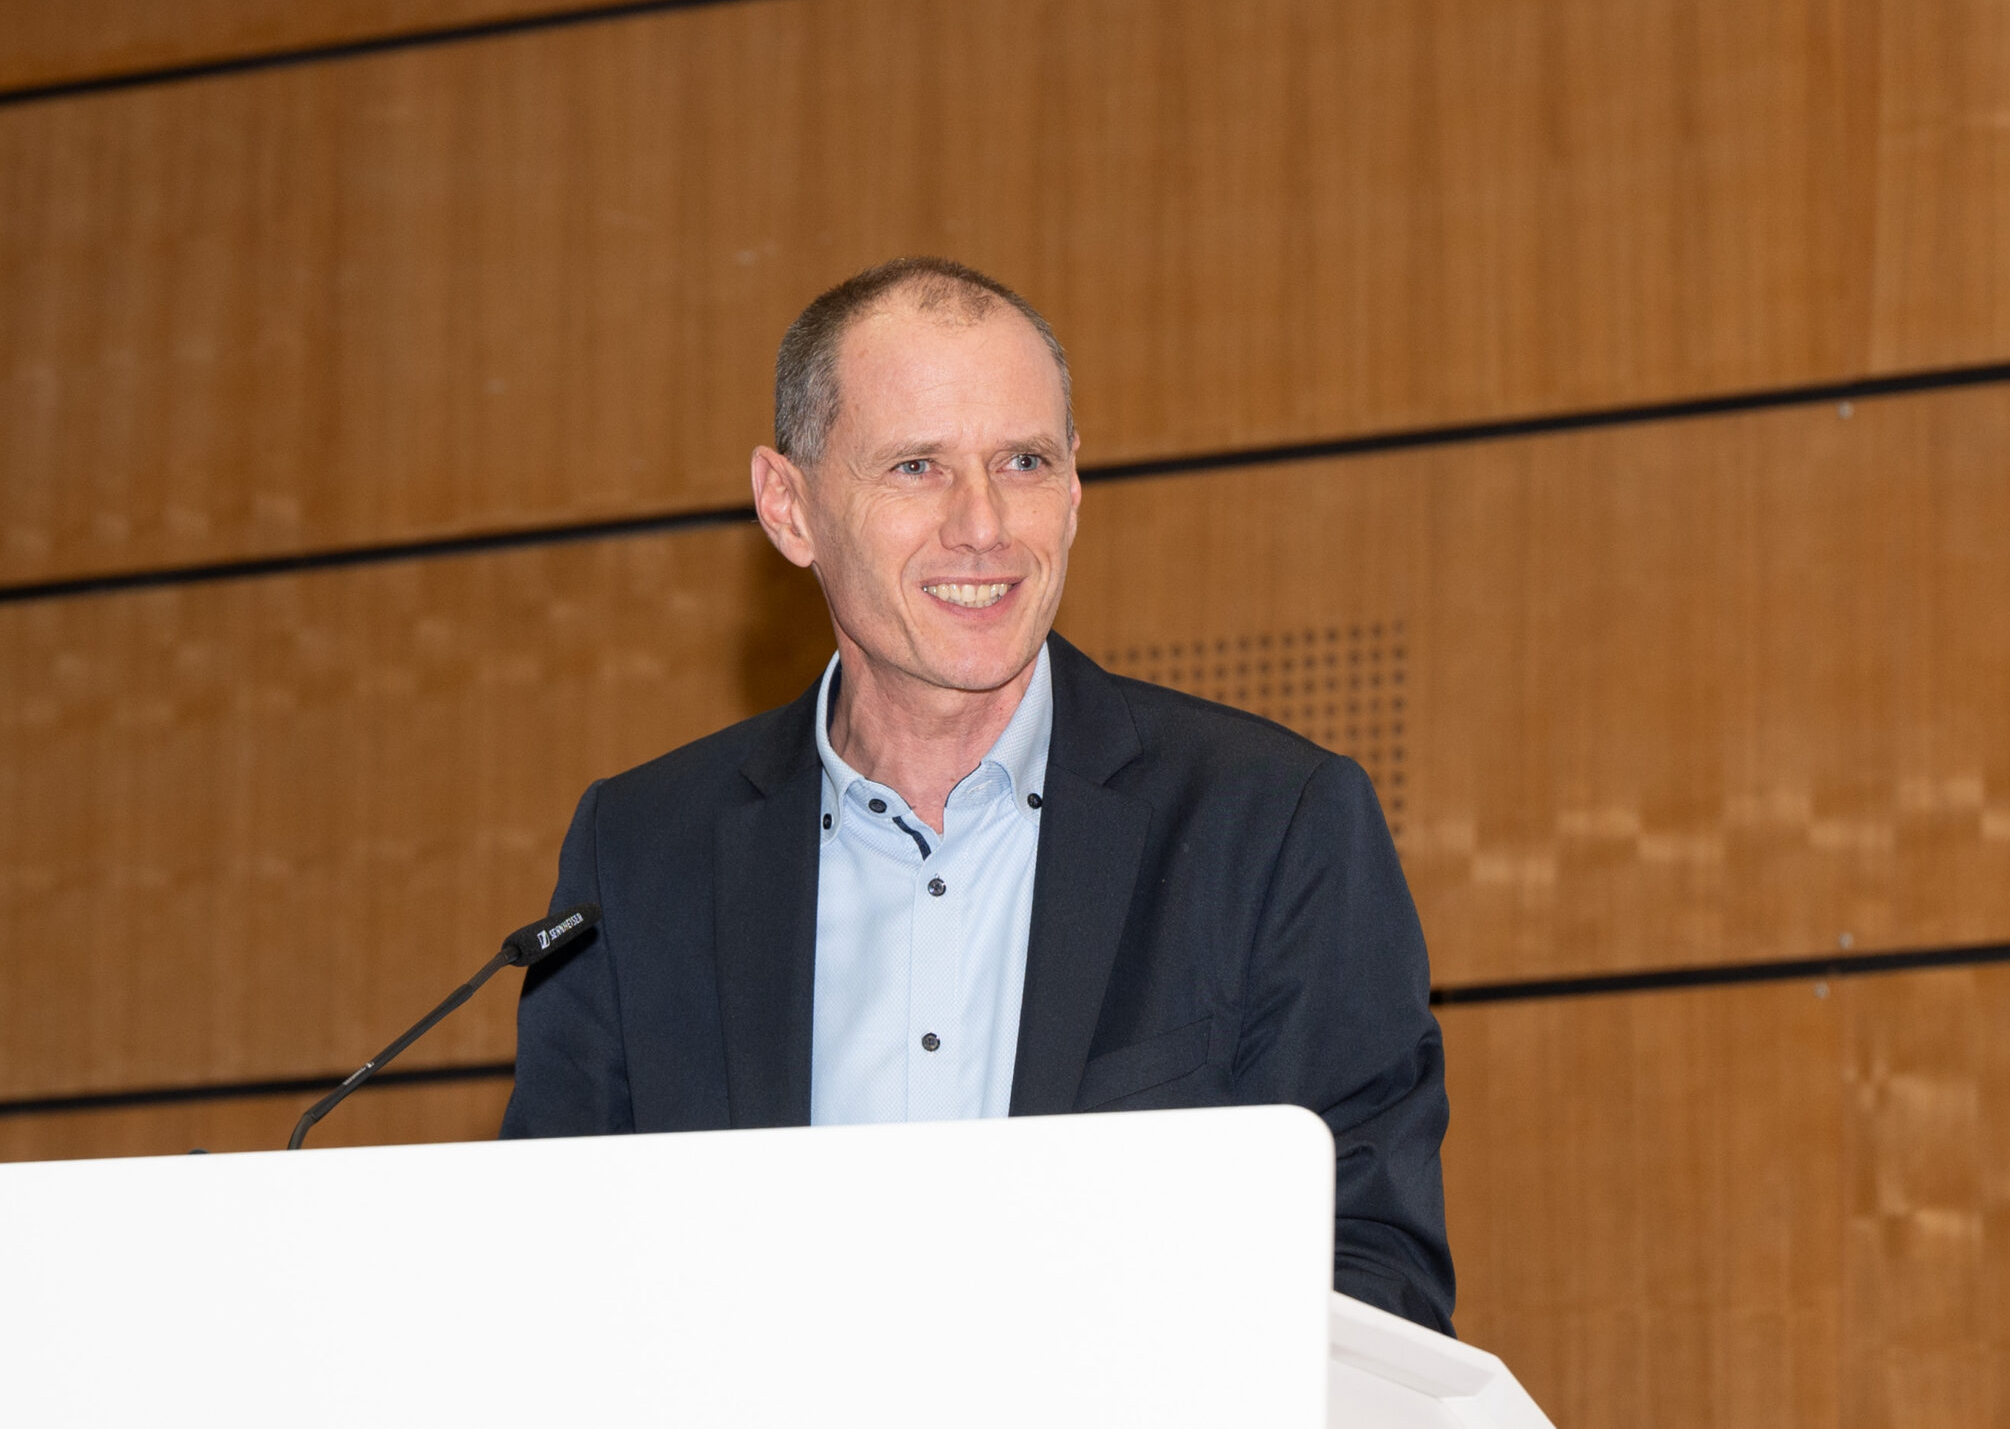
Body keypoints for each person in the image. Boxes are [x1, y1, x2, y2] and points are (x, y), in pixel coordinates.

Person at [501, 257, 1455, 1332]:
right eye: (916, 466)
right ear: (789, 507)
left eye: (1025, 461)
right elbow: (555, 1284)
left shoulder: (1273, 825)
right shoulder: (640, 859)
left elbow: (1371, 1279)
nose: (984, 524)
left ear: (1076, 485)